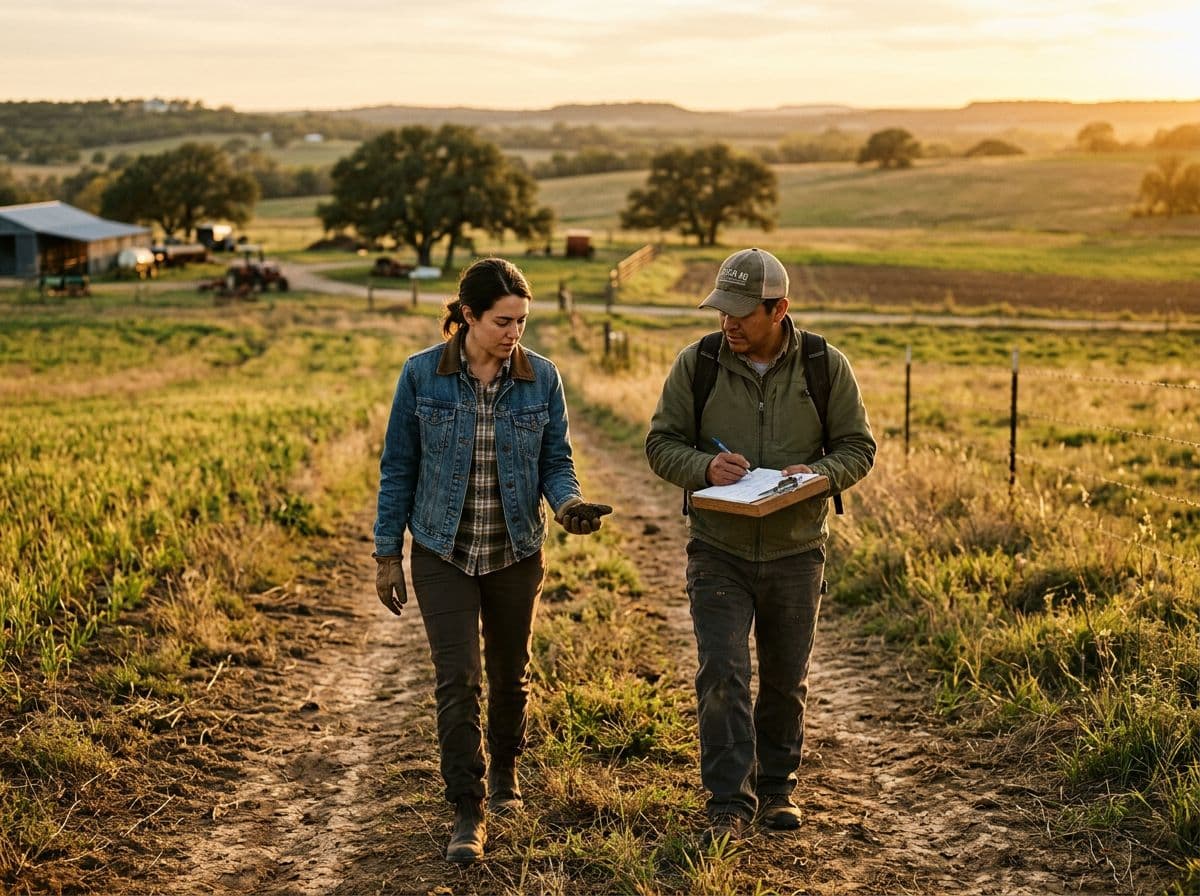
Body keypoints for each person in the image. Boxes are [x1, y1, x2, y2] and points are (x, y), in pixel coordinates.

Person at [373, 257, 612, 865]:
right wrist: (386, 554)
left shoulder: (543, 379)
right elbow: (398, 468)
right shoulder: (421, 375)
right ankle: (467, 808)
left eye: (523, 322)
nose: (514, 334)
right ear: (469, 316)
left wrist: (568, 506)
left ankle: (505, 773)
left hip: (514, 551)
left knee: (510, 673)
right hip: (441, 550)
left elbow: (556, 462)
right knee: (458, 681)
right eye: (503, 321)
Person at [645, 247, 875, 845]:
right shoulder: (696, 364)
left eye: (743, 312)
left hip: (797, 551)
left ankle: (777, 789)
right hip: (716, 547)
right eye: (722, 309)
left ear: (780, 309)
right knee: (722, 670)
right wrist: (704, 468)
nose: (729, 322)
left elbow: (859, 448)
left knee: (784, 677)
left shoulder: (826, 366)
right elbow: (661, 443)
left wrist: (821, 476)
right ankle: (727, 799)